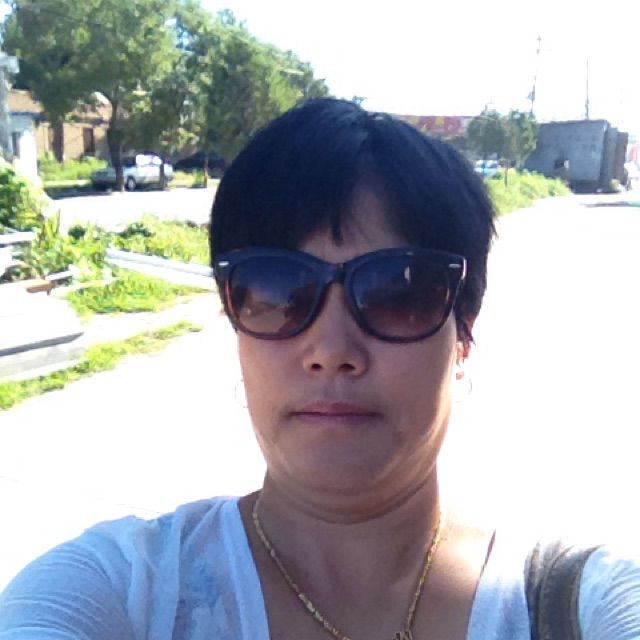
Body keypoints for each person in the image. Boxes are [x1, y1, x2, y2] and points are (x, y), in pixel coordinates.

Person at [1, 98, 639, 639]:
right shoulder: (121, 592)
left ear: (463, 333)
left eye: (398, 292)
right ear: (234, 316)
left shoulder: (579, 608)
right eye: (278, 288)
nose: (331, 349)